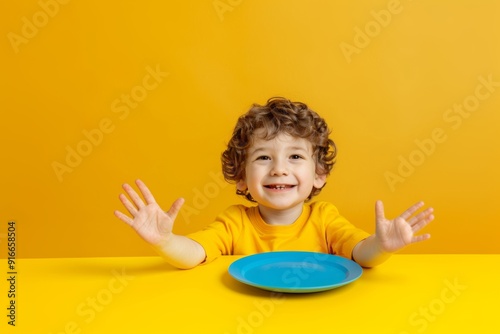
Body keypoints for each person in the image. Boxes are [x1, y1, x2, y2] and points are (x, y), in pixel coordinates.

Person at [114, 97, 434, 269]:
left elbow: (360, 253)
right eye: (264, 158)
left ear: (319, 173)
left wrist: (381, 246)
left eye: (295, 157)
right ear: (241, 176)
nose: (279, 170)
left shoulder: (325, 219)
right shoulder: (234, 222)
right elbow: (194, 254)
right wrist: (165, 242)